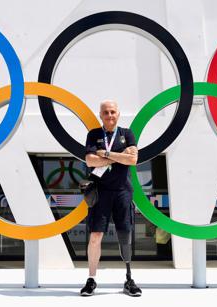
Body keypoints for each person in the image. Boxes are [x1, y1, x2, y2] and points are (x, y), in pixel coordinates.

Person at [80, 99, 142, 297]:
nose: (109, 115)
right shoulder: (94, 134)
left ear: (118, 114)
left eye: (113, 112)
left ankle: (129, 279)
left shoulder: (127, 134)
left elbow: (133, 159)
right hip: (101, 192)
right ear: (100, 115)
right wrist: (119, 155)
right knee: (95, 236)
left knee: (125, 235)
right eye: (106, 112)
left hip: (123, 191)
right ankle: (91, 279)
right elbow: (90, 160)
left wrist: (105, 153)